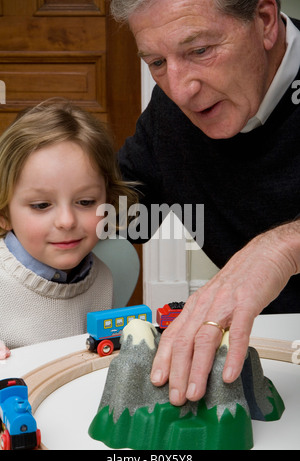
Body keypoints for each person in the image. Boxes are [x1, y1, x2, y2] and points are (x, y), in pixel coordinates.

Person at [110, 0, 300, 406]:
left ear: (264, 21)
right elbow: (120, 212)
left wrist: (283, 247)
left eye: (199, 51)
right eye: (157, 62)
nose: (179, 90)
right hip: (271, 364)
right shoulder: (171, 109)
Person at [0, 99, 137, 359]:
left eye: (85, 202)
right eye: (41, 205)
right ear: (4, 213)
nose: (66, 221)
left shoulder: (103, 279)